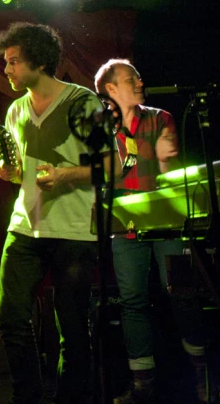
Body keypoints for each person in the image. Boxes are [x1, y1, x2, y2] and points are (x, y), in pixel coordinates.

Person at [0, 22, 110, 404]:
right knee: (10, 318)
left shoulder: (82, 103)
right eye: (6, 62)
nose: (7, 69)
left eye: (13, 62)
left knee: (73, 329)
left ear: (40, 62)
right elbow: (24, 175)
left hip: (74, 231)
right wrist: (12, 174)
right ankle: (26, 397)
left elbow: (112, 166)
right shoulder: (16, 110)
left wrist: (65, 175)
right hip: (25, 228)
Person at [95, 59, 207, 404]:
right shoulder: (99, 126)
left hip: (167, 219)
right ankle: (143, 384)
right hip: (123, 223)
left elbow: (167, 172)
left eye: (139, 76)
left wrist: (163, 160)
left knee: (182, 292)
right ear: (111, 89)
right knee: (133, 302)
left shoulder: (160, 118)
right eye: (131, 79)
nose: (140, 82)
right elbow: (100, 173)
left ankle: (203, 375)